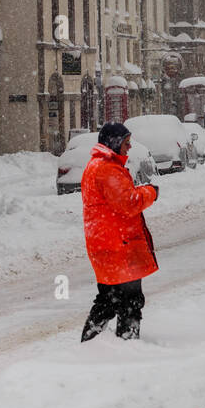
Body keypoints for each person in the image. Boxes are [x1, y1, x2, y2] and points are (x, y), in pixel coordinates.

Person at [80, 122, 159, 341]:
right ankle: (127, 344)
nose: (129, 147)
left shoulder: (97, 165)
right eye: (126, 143)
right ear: (114, 143)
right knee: (130, 300)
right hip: (119, 247)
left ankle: (90, 343)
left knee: (108, 299)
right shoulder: (107, 169)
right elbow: (129, 202)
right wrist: (150, 192)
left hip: (105, 244)